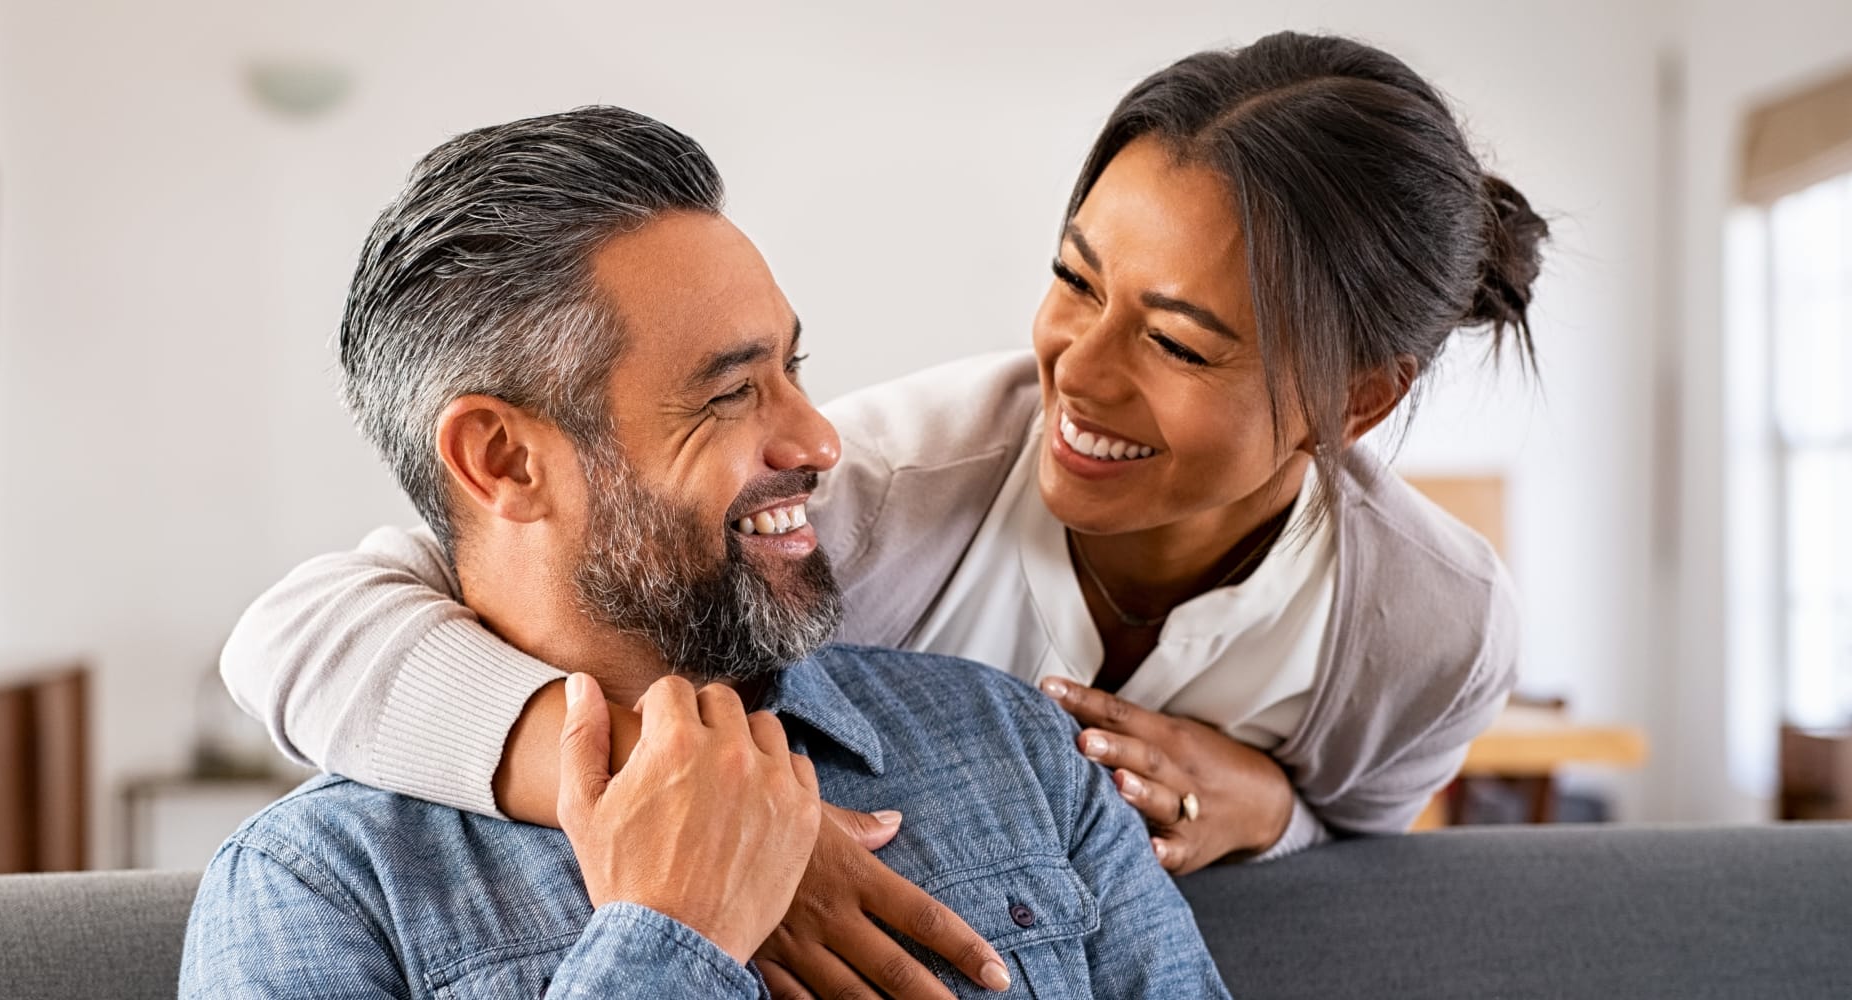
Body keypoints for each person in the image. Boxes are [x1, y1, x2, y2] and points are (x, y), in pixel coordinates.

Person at [225, 30, 1540, 996]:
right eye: (1073, 281)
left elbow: (1358, 844)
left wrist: (1271, 805)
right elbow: (340, 617)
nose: (1074, 372)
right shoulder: (890, 489)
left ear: (1350, 406)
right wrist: (672, 813)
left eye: (1182, 344)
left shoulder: (1411, 629)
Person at [180, 105, 1230, 999]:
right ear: (502, 460)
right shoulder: (318, 888)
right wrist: (665, 935)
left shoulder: (1013, 745)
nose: (818, 442)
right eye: (729, 393)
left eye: (792, 367)